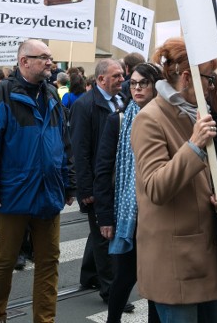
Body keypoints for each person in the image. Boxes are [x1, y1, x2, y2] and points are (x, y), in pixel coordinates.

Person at [131, 37, 217, 322]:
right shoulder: (149, 118)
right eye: (210, 78)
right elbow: (156, 187)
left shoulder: (195, 113)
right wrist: (194, 145)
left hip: (203, 252)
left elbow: (211, 168)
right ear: (188, 77)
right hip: (174, 258)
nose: (213, 85)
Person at [0, 39, 76, 323]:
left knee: (49, 262)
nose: (51, 62)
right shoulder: (1, 94)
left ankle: (44, 320)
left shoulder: (51, 95)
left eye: (51, 57)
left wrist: (69, 181)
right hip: (14, 193)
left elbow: (64, 142)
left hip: (48, 192)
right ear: (24, 61)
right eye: (44, 58)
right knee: (5, 260)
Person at [94, 62, 162, 323]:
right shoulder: (119, 120)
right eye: (132, 83)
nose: (136, 88)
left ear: (156, 86)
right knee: (124, 276)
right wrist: (106, 217)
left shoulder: (165, 117)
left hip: (156, 211)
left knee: (156, 278)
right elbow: (103, 170)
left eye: (143, 83)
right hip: (128, 213)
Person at [71, 58, 126, 304]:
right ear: (101, 79)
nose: (122, 80)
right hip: (98, 182)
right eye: (117, 76)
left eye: (122, 75)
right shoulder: (85, 105)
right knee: (105, 236)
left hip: (115, 180)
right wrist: (85, 188)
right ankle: (111, 292)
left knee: (98, 232)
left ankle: (89, 274)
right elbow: (79, 150)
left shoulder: (121, 102)